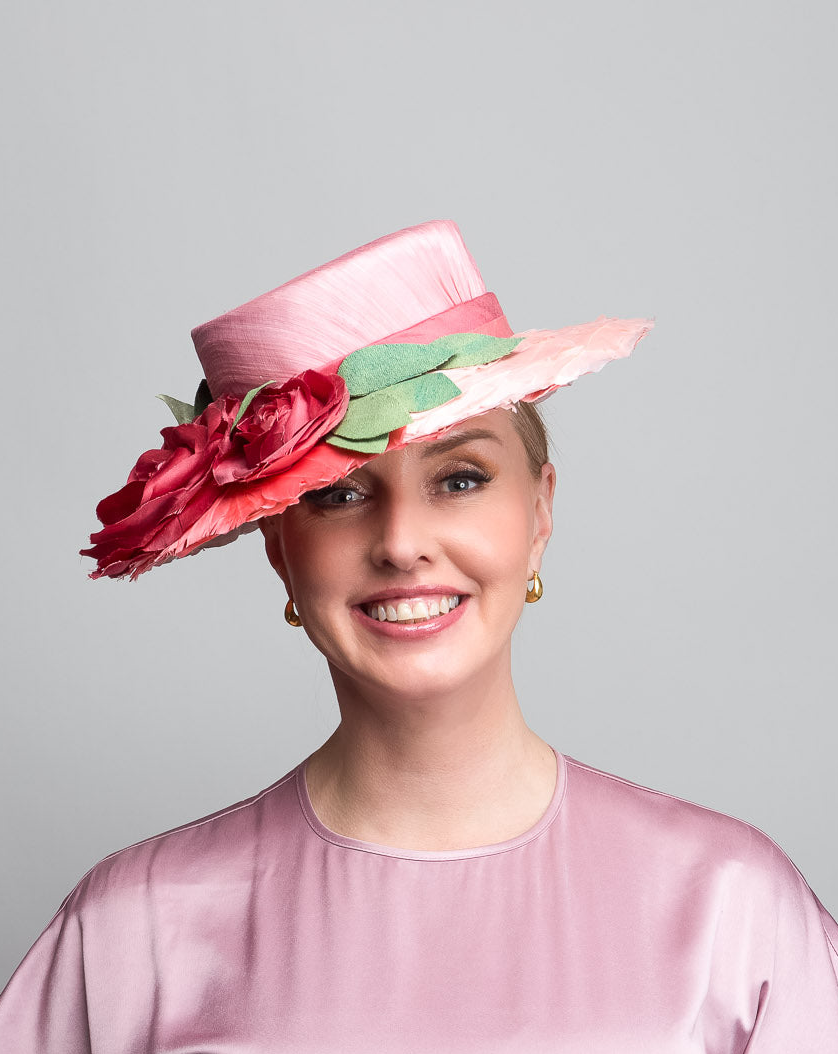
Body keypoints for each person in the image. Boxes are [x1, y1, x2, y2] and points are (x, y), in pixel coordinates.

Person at [1, 220, 836, 1052]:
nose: (402, 543)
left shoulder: (733, 909)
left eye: (460, 479)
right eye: (338, 495)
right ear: (277, 548)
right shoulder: (130, 932)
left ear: (540, 511)